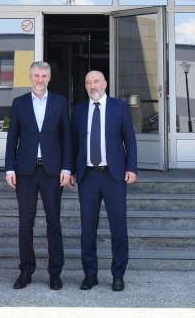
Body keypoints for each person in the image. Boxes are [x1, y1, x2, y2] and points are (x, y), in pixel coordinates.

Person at [4, 60, 72, 290]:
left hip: (53, 171)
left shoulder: (60, 102)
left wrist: (67, 168)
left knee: (54, 223)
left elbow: (67, 138)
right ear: (30, 77)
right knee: (26, 223)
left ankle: (55, 273)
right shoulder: (19, 103)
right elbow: (12, 138)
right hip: (25, 171)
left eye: (44, 76)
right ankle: (26, 271)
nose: (40, 79)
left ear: (49, 78)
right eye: (36, 75)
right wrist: (9, 168)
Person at [71, 70, 138, 292]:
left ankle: (118, 275)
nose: (93, 85)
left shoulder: (119, 107)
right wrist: (71, 170)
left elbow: (130, 140)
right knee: (87, 229)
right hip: (87, 176)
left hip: (113, 176)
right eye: (88, 82)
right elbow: (73, 143)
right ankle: (90, 275)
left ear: (105, 83)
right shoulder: (78, 110)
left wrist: (131, 168)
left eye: (96, 81)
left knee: (118, 227)